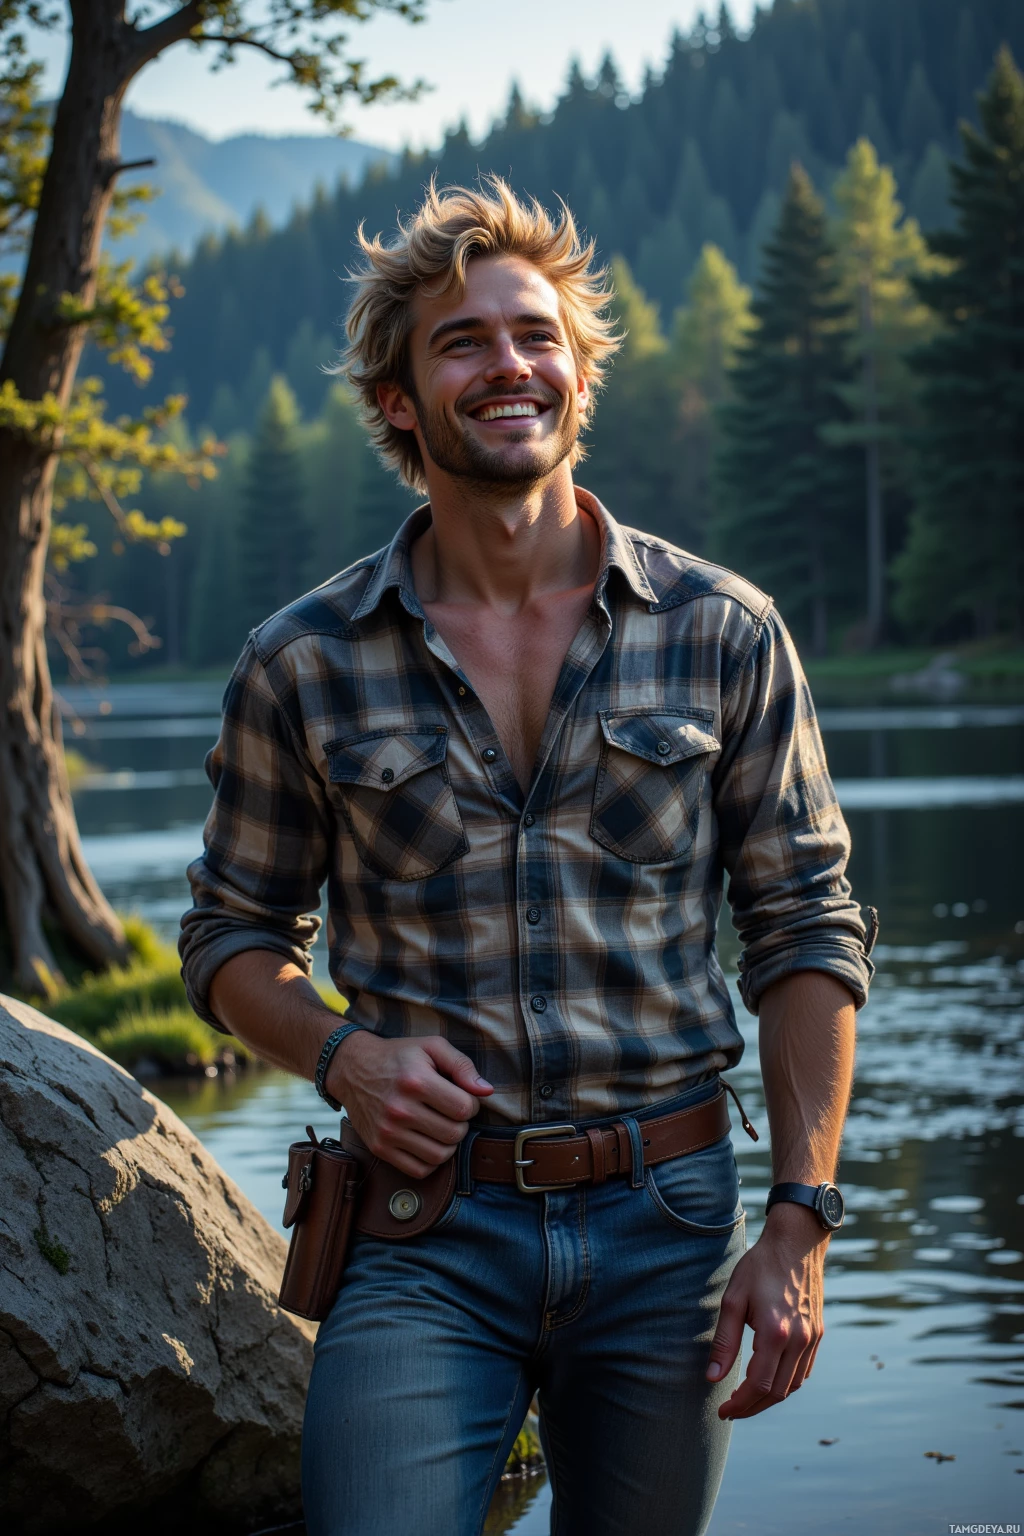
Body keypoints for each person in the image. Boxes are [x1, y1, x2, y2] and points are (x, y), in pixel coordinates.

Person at [179, 176, 875, 1536]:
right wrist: (345, 1057)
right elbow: (228, 941)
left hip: (668, 1221)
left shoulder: (724, 632)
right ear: (398, 398)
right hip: (419, 1234)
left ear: (577, 372)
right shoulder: (301, 661)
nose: (511, 363)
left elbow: (805, 928)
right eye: (463, 341)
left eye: (535, 334)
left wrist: (800, 1221)